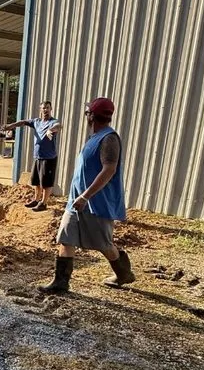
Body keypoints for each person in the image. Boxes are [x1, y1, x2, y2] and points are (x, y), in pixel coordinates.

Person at [39, 96, 135, 294]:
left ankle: (124, 273)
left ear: (92, 116)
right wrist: (78, 197)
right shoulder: (94, 137)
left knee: (104, 245)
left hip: (96, 203)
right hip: (76, 202)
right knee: (66, 237)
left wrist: (85, 196)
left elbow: (109, 170)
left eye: (87, 112)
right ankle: (61, 282)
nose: (86, 116)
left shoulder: (109, 138)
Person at [2, 100, 62, 210]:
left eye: (47, 108)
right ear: (41, 110)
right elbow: (24, 122)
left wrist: (50, 130)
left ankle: (43, 203)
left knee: (46, 183)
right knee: (36, 181)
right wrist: (11, 125)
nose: (45, 110)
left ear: (51, 109)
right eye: (43, 108)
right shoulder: (36, 122)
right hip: (38, 156)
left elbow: (59, 126)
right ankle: (36, 199)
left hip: (49, 157)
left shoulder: (53, 122)